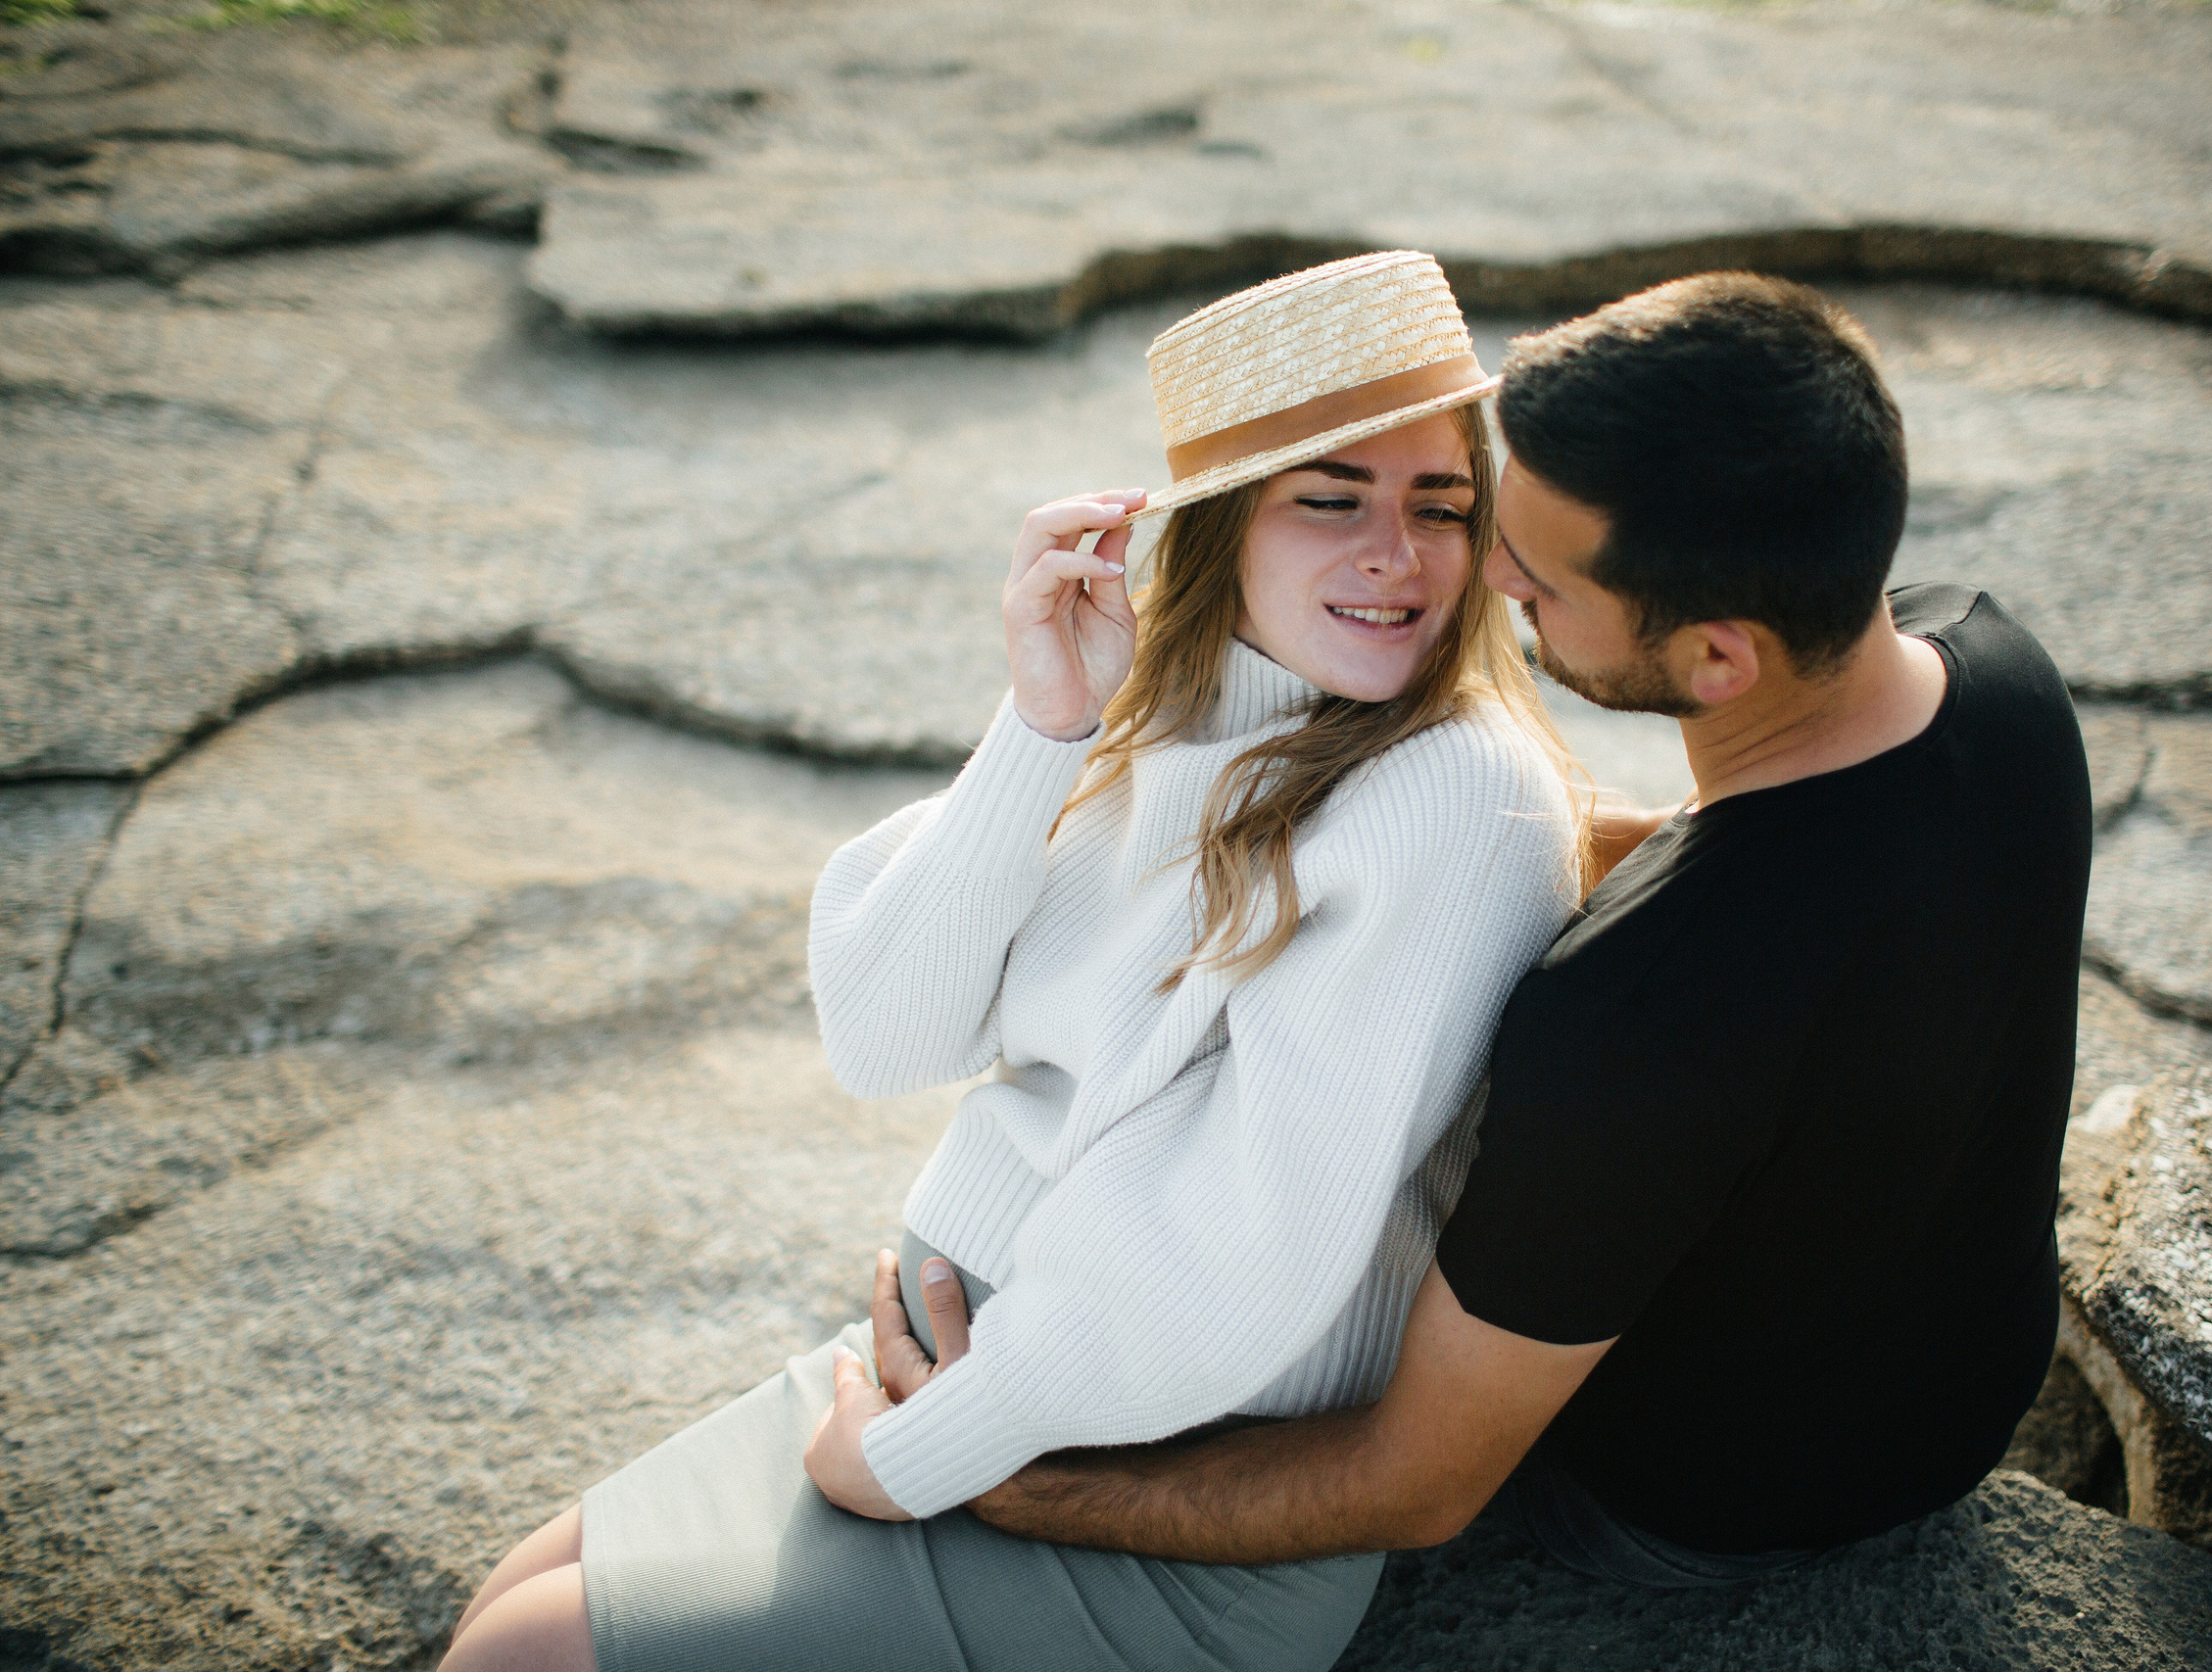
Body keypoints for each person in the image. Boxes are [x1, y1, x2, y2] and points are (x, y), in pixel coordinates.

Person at [439, 251, 1594, 1672]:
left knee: (523, 1656)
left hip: (1157, 1471)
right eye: (1331, 498)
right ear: (1223, 527)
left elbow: (1252, 1246)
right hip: (971, 1356)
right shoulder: (1159, 722)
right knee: (509, 1602)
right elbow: (885, 1034)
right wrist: (1044, 727)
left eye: (1441, 506)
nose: (1397, 555)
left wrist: (932, 1451)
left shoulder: (1455, 797)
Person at [889, 271, 2095, 1591]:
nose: (1484, 573)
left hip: (1702, 1500)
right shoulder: (1987, 669)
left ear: (1717, 662)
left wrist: (1015, 1485)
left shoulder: (1626, 1023)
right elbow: (1768, 876)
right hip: (1964, 1380)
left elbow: (1413, 1484)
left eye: (1542, 580)